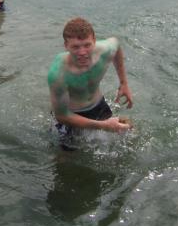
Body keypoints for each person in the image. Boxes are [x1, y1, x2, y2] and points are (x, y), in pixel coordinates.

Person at [48, 18, 134, 149]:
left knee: (128, 134)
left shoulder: (104, 49)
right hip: (72, 116)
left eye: (87, 45)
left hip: (97, 105)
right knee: (65, 156)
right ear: (66, 46)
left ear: (94, 40)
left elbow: (116, 45)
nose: (82, 52)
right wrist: (104, 125)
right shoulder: (58, 74)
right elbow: (61, 116)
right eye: (76, 47)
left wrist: (123, 83)